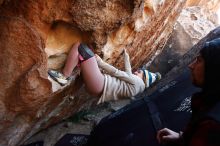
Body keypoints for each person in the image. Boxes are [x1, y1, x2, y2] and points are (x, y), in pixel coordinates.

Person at [48, 42, 161, 104]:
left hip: (100, 83)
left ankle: (64, 76)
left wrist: (100, 62)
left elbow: (117, 72)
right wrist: (126, 57)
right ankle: (72, 94)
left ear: (144, 78)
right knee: (83, 61)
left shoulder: (137, 82)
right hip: (97, 88)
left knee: (80, 47)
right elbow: (128, 73)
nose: (138, 71)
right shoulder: (137, 87)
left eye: (140, 72)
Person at [157, 38, 220, 146]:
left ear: (214, 69)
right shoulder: (211, 101)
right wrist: (184, 138)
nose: (191, 66)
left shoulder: (212, 126)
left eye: (199, 60)